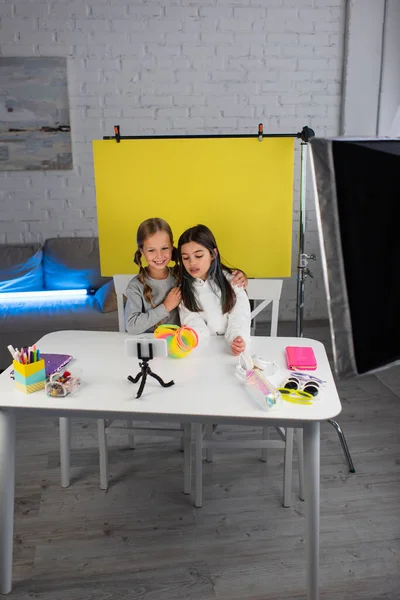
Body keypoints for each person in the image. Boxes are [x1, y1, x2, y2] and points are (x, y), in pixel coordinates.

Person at [125, 218, 247, 335]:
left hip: (183, 344)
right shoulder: (136, 286)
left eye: (164, 248)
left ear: (172, 247)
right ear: (142, 250)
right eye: (151, 250)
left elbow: (208, 271)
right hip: (149, 343)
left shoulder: (183, 274)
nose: (159, 255)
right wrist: (166, 307)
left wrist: (241, 276)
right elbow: (131, 326)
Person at [177, 224, 251, 356]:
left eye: (198, 256)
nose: (192, 263)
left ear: (213, 254)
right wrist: (193, 338)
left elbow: (240, 315)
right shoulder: (184, 288)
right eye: (186, 258)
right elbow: (192, 320)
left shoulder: (233, 281)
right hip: (203, 350)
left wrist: (237, 338)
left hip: (231, 350)